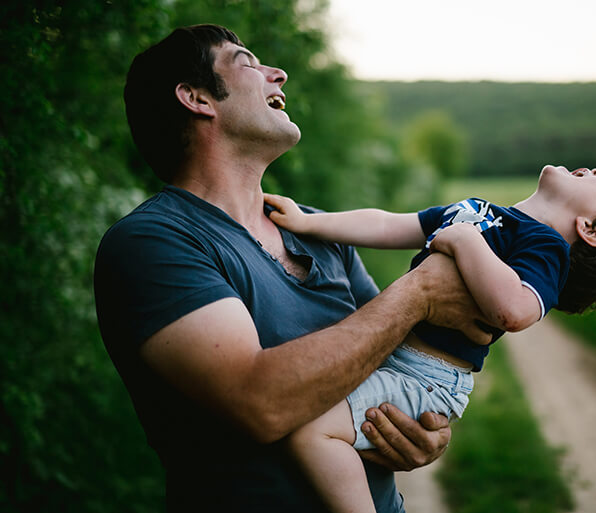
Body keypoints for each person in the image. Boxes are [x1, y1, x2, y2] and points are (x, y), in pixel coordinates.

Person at [93, 24, 493, 513]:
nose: (278, 74)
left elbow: (398, 365)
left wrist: (423, 427)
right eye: (247, 62)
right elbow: (259, 404)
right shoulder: (152, 243)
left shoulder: (321, 231)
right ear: (196, 98)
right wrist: (416, 293)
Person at [264, 164, 596, 513]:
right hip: (397, 359)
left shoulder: (545, 247)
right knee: (313, 397)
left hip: (425, 377)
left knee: (314, 428)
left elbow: (517, 310)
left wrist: (463, 241)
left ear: (589, 229)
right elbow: (388, 224)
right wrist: (309, 222)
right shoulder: (481, 211)